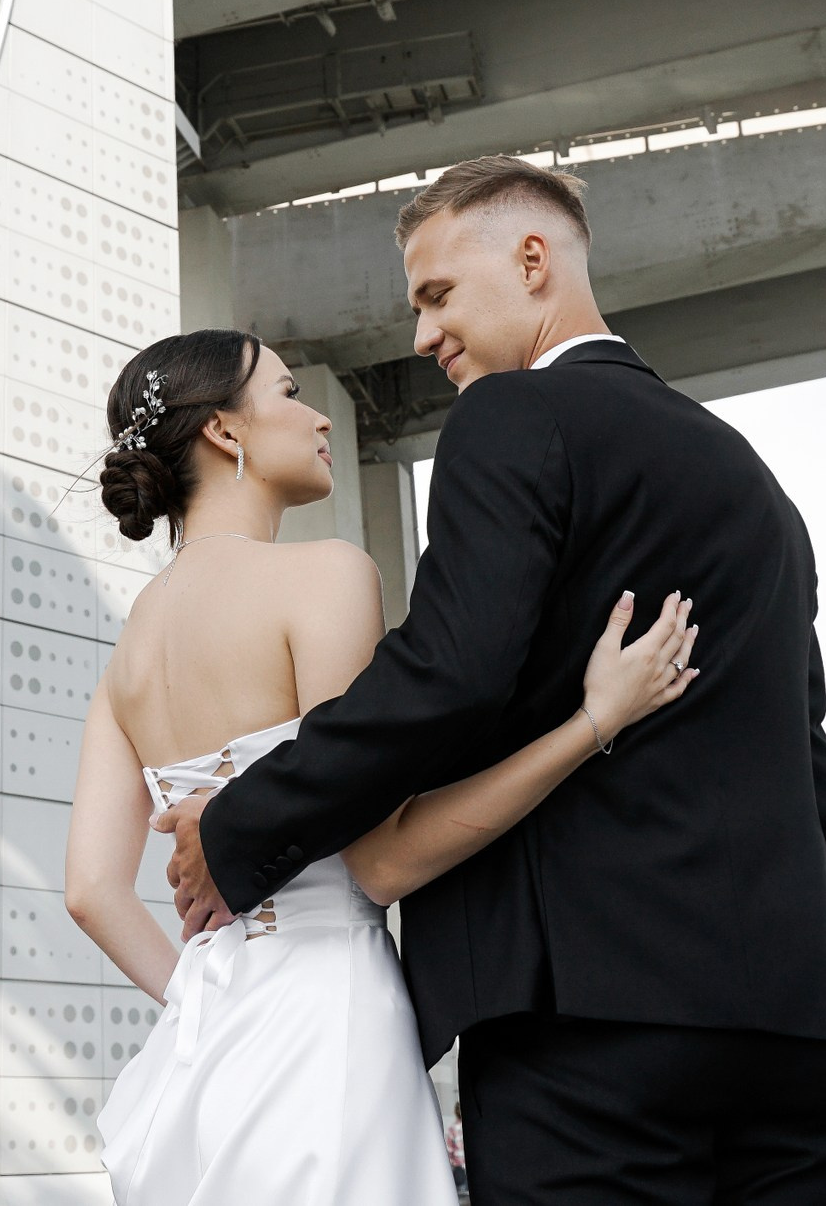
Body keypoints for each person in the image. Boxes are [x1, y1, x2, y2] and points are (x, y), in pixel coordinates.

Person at [156, 156, 826, 1206]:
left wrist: (240, 829)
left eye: (437, 295)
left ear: (533, 261)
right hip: (793, 1017)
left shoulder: (511, 419)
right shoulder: (748, 477)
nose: (422, 335)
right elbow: (802, 756)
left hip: (585, 1017)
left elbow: (451, 673)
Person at [64, 327, 699, 1204]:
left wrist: (205, 1004)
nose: (320, 414)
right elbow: (384, 855)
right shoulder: (324, 577)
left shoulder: (130, 650)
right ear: (224, 430)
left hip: (203, 1044)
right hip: (330, 1018)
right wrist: (593, 721)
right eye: (289, 392)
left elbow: (91, 891)